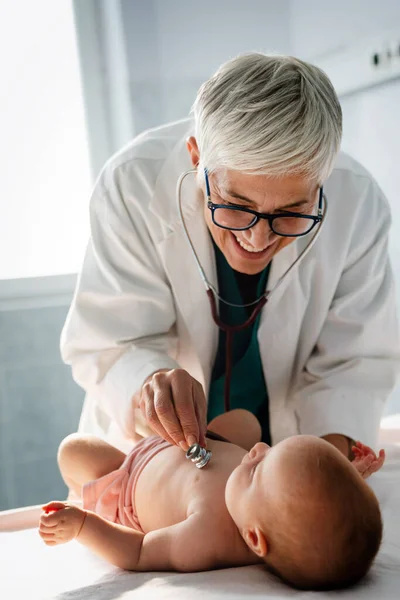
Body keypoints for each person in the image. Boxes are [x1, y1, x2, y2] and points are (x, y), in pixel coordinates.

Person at [60, 52, 400, 460]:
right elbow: (109, 341)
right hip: (160, 455)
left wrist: (321, 475)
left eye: (290, 213)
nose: (258, 239)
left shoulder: (358, 202)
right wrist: (149, 382)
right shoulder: (132, 184)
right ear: (196, 157)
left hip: (289, 453)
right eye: (236, 205)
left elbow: (355, 362)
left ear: (322, 182)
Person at [38, 410, 385, 591]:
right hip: (199, 440)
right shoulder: (271, 502)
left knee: (74, 451)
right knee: (247, 422)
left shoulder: (204, 537)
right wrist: (348, 474)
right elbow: (315, 500)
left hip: (131, 475)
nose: (259, 449)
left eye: (256, 469)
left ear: (253, 538)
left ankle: (82, 490)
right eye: (273, 449)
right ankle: (160, 423)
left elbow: (139, 551)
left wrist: (85, 525)